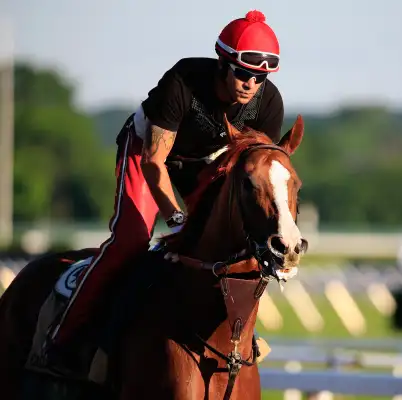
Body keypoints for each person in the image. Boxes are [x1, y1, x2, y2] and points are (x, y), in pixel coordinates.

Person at [45, 9, 284, 368]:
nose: (251, 84)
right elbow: (155, 163)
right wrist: (175, 217)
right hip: (149, 152)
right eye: (243, 73)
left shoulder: (268, 104)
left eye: (260, 78)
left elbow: (253, 170)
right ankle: (64, 337)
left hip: (205, 162)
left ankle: (239, 335)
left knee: (235, 243)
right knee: (130, 240)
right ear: (222, 62)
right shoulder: (184, 81)